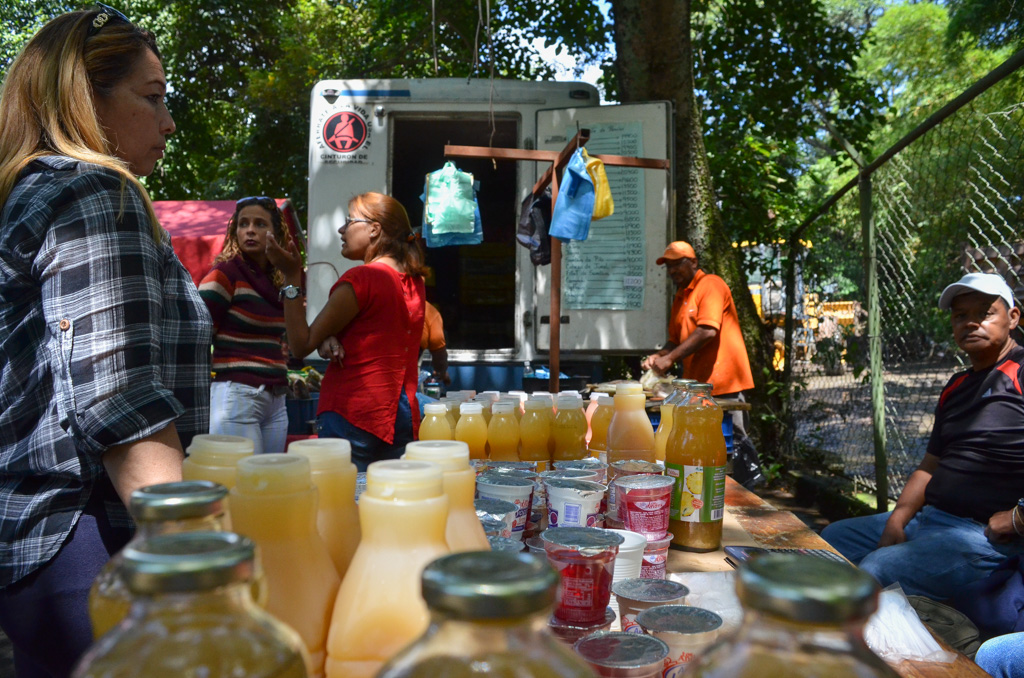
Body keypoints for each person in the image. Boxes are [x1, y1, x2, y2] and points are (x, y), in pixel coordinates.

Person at [0, 7, 211, 676]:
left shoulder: (28, 191)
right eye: (152, 98)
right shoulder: (95, 193)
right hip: (88, 536)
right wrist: (192, 558)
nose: (169, 122)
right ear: (83, 98)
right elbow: (122, 404)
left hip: (33, 544)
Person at [821, 272, 1024, 600]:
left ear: (1012, 317)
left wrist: (1018, 518)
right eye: (960, 316)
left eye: (985, 313)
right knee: (831, 541)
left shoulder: (1020, 372)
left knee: (878, 569)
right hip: (929, 519)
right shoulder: (957, 386)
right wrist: (898, 518)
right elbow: (930, 465)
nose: (971, 323)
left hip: (985, 536)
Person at [267, 192, 426, 471]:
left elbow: (301, 345)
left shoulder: (362, 278)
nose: (341, 230)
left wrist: (291, 277)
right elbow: (378, 329)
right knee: (391, 495)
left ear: (374, 229)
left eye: (349, 221)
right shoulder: (416, 283)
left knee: (343, 495)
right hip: (400, 413)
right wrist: (330, 336)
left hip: (352, 413)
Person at [640, 241, 761, 485]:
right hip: (698, 388)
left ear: (693, 262)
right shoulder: (681, 296)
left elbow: (707, 330)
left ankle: (750, 490)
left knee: (734, 441)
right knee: (706, 445)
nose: (673, 270)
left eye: (677, 264)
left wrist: (669, 359)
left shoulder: (711, 285)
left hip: (725, 382)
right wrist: (659, 356)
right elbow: (676, 340)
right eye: (668, 266)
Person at [199, 197, 294, 454]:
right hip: (236, 395)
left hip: (276, 398)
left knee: (271, 477)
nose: (250, 230)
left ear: (276, 233)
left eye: (260, 224)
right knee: (240, 477)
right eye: (243, 224)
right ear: (235, 232)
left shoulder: (280, 281)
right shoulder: (224, 275)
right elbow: (197, 334)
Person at [421, 302, 450, 386]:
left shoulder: (389, 305)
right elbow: (439, 353)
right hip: (404, 379)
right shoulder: (429, 312)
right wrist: (441, 371)